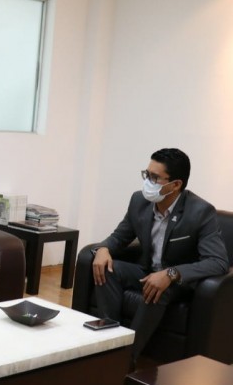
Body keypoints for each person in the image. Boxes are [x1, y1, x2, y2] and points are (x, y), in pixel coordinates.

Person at [92, 147, 228, 365]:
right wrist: (102, 249)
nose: (148, 182)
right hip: (146, 270)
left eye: (155, 178)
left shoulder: (201, 212)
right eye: (146, 174)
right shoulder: (139, 201)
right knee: (107, 269)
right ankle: (110, 342)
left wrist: (171, 273)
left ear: (175, 184)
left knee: (158, 288)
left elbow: (218, 262)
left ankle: (125, 359)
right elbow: (120, 236)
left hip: (179, 281)